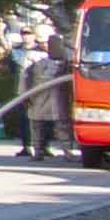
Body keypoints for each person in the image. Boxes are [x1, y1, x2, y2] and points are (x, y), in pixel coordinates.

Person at [19, 33, 71, 161]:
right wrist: (24, 95)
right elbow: (24, 77)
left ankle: (67, 152)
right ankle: (38, 151)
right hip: (38, 97)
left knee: (62, 126)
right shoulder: (32, 58)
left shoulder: (67, 63)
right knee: (37, 126)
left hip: (57, 98)